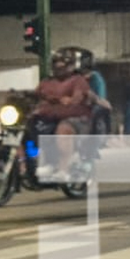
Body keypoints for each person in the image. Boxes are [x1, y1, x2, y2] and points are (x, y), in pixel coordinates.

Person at [31, 50, 93, 181]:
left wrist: (69, 100)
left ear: (71, 65)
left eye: (62, 64)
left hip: (75, 118)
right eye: (56, 64)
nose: (59, 67)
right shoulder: (47, 81)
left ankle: (63, 169)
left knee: (63, 129)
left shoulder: (78, 80)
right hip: (49, 116)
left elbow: (77, 98)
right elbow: (36, 94)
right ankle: (27, 165)